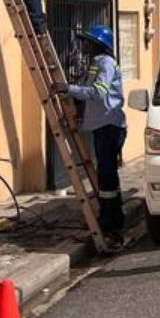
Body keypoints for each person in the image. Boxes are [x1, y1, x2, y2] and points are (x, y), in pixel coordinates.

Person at [63, 25, 127, 251]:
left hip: (110, 125)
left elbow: (98, 93)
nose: (85, 45)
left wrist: (68, 89)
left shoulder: (106, 64)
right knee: (107, 174)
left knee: (107, 176)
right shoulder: (95, 64)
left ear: (99, 44)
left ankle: (110, 219)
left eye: (88, 42)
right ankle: (114, 214)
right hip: (102, 125)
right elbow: (86, 88)